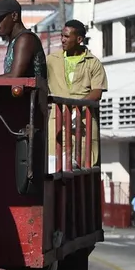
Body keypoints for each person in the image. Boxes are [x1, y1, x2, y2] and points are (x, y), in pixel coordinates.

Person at [45, 19, 108, 168]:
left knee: (83, 164)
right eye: (62, 35)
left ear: (79, 39)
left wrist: (76, 109)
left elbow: (97, 92)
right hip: (57, 122)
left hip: (83, 122)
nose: (62, 39)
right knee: (56, 165)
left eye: (66, 36)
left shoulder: (93, 63)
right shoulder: (50, 61)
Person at [0, 0, 47, 83]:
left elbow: (14, 76)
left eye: (0, 19)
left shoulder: (25, 39)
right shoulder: (15, 40)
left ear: (14, 16)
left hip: (32, 96)